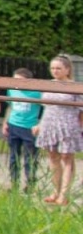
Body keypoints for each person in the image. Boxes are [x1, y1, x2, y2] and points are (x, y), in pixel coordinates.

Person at [36, 54, 83, 205]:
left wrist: (80, 127)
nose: (55, 71)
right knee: (53, 157)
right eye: (53, 68)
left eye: (58, 68)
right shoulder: (48, 85)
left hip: (68, 124)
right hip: (50, 124)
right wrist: (40, 124)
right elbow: (46, 107)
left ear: (67, 69)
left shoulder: (75, 86)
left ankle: (64, 194)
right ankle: (55, 190)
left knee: (66, 157)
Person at [4, 67, 43, 194]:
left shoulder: (37, 93)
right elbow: (10, 107)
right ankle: (14, 183)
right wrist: (5, 122)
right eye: (15, 80)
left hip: (29, 128)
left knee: (30, 159)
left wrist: (40, 124)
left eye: (20, 80)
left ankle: (30, 185)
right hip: (14, 125)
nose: (17, 83)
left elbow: (47, 109)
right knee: (13, 157)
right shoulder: (11, 91)